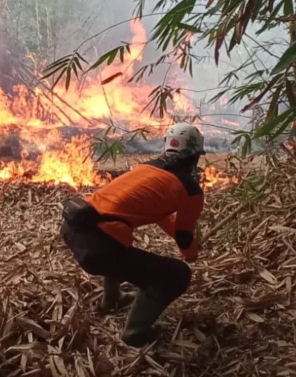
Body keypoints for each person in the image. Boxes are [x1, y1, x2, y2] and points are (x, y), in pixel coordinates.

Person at [60, 123, 205, 346]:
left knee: (121, 248)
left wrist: (179, 239)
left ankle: (112, 300)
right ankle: (136, 332)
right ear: (195, 156)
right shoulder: (191, 189)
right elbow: (185, 234)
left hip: (75, 227)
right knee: (177, 274)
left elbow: (161, 215)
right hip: (99, 246)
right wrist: (190, 253)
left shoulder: (147, 168)